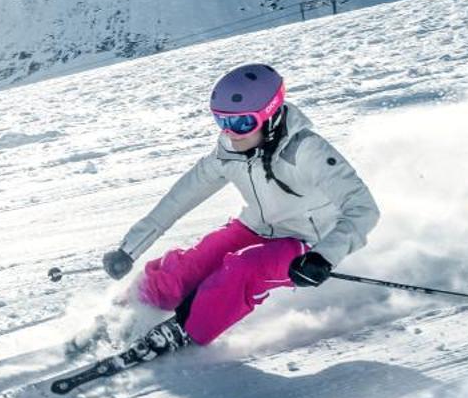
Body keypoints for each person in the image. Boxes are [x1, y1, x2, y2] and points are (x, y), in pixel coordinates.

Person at [92, 63, 379, 358]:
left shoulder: (307, 151)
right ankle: (130, 309)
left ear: (270, 115)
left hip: (306, 242)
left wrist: (324, 256)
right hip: (256, 225)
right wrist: (130, 248)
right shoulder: (228, 150)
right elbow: (181, 197)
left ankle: (184, 333)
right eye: (222, 121)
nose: (231, 133)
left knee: (241, 269)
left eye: (242, 123)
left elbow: (363, 208)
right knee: (192, 262)